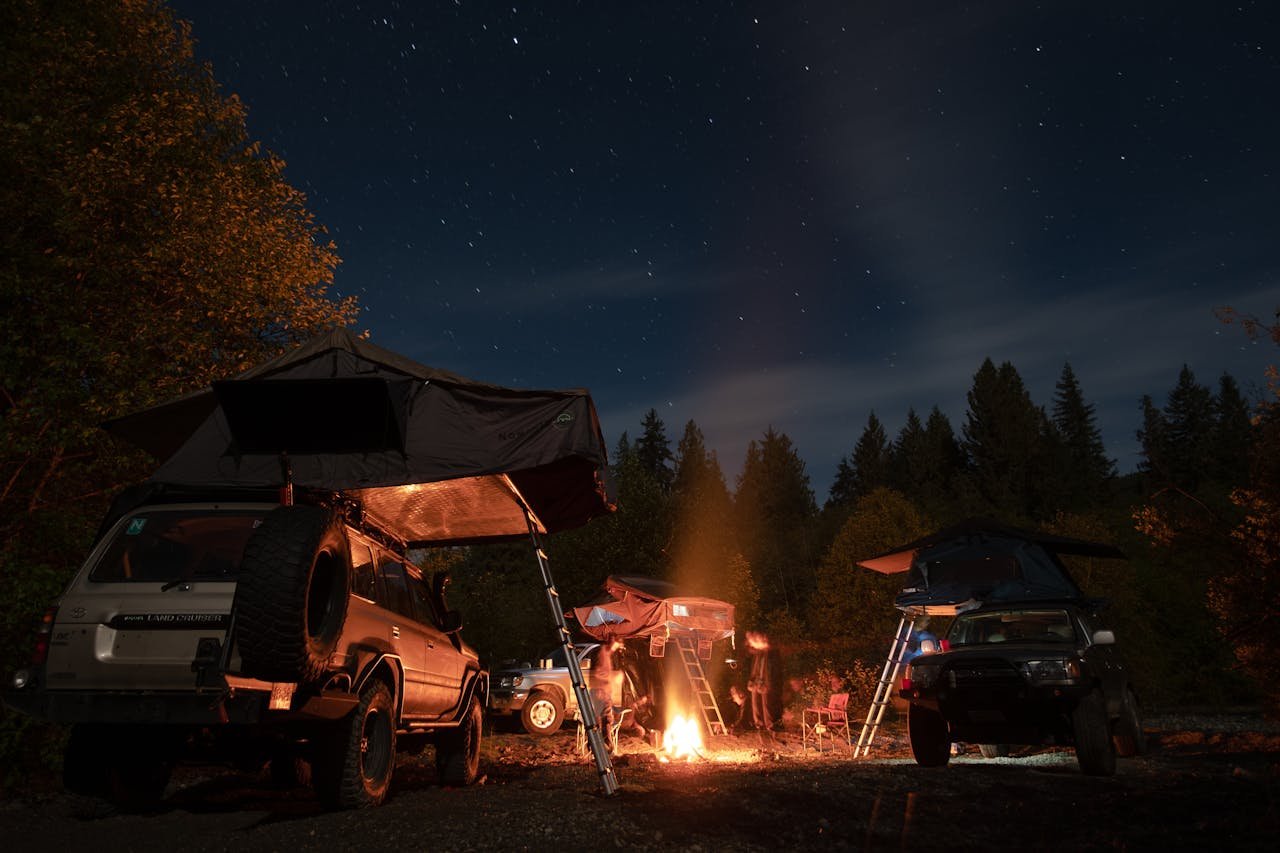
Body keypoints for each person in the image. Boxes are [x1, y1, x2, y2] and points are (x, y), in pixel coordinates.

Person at [745, 630, 782, 738]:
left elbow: (771, 671)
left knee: (766, 704)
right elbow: (754, 668)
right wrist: (752, 680)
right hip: (756, 680)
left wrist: (768, 683)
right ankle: (758, 724)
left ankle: (769, 725)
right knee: (755, 703)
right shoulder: (758, 654)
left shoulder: (770, 654)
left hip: (765, 681)